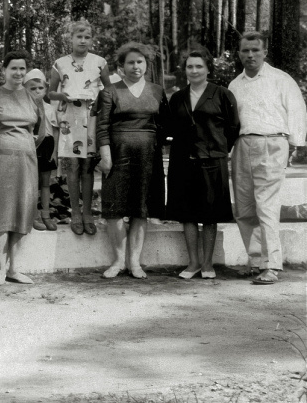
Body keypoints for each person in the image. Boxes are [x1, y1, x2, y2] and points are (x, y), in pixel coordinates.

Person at [227, 31, 307, 285]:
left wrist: (294, 144)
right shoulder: (235, 84)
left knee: (266, 205)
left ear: (265, 52)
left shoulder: (281, 79)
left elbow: (297, 111)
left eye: (255, 50)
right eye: (245, 51)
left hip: (272, 142)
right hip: (242, 144)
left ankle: (271, 265)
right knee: (244, 207)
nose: (250, 55)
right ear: (239, 54)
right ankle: (255, 261)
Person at [0, 52, 45, 285]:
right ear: (4, 70)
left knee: (21, 211)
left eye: (22, 69)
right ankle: (0, 270)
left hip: (25, 161)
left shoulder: (32, 97)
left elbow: (41, 131)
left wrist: (24, 146)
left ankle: (14, 268)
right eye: (13, 68)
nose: (18, 73)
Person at [97, 42, 169, 279]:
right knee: (115, 209)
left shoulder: (157, 91)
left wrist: (152, 147)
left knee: (141, 208)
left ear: (146, 65)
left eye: (140, 62)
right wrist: (105, 155)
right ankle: (118, 261)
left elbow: (163, 126)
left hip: (148, 156)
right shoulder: (109, 92)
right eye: (130, 62)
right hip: (117, 154)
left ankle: (135, 262)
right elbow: (102, 127)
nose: (135, 66)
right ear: (121, 66)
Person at [166, 49, 240, 280]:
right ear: (185, 70)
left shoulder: (222, 94)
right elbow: (170, 128)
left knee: (209, 214)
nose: (194, 71)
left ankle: (208, 264)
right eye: (190, 67)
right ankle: (193, 263)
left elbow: (233, 128)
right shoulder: (178, 98)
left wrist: (217, 150)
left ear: (208, 68)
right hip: (182, 162)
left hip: (212, 161)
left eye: (199, 66)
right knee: (187, 214)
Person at [48, 20, 111, 236]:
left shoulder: (100, 62)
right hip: (69, 119)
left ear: (92, 39)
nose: (83, 41)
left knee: (87, 167)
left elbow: (109, 91)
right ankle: (75, 212)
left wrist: (98, 102)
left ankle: (87, 213)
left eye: (87, 37)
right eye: (79, 37)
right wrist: (62, 96)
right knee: (72, 166)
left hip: (91, 118)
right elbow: (49, 94)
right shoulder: (60, 63)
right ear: (71, 39)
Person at [24, 69, 58, 231]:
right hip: (30, 146)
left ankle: (46, 215)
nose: (37, 91)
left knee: (45, 183)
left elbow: (56, 130)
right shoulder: (24, 109)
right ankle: (33, 215)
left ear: (45, 89)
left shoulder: (50, 109)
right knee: (31, 183)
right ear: (25, 89)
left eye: (40, 88)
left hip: (47, 145)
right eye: (32, 88)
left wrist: (55, 151)